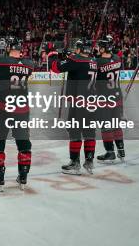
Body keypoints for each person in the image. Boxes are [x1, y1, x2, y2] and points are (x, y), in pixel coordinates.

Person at [0, 37, 34, 191]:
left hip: (3, 108)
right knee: (23, 142)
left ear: (8, 48)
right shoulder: (29, 65)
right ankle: (23, 176)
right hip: (22, 108)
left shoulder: (0, 61)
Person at [49, 39, 97, 175]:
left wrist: (53, 55)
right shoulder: (93, 61)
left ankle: (75, 162)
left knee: (74, 131)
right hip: (92, 101)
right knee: (89, 132)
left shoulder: (76, 60)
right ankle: (89, 160)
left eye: (77, 48)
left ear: (80, 49)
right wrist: (69, 57)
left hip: (79, 102)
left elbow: (56, 68)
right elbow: (76, 66)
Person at [94, 36, 125, 163]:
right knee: (116, 125)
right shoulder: (117, 59)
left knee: (106, 125)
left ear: (102, 48)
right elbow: (114, 56)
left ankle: (110, 152)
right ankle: (121, 150)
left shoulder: (98, 62)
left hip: (104, 98)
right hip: (117, 96)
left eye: (100, 47)